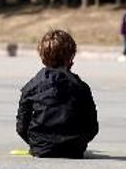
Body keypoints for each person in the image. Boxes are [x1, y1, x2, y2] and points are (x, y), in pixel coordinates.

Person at [16, 30, 98, 158]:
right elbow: (92, 127)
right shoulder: (81, 87)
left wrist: (36, 143)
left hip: (41, 147)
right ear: (71, 56)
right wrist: (79, 141)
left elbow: (21, 126)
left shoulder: (31, 86)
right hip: (74, 148)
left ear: (42, 56)